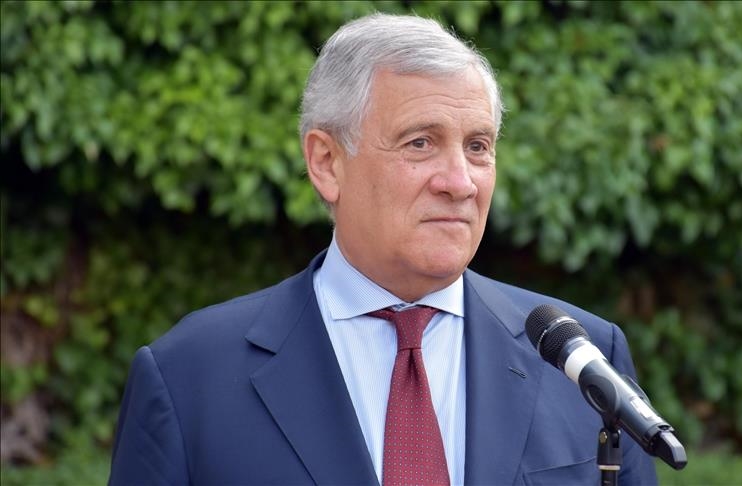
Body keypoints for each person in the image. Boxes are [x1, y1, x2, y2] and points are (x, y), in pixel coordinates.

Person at [109, 13, 658, 486]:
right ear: (327, 163)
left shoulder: (582, 360)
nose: (460, 182)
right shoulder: (189, 377)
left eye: (478, 146)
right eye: (420, 142)